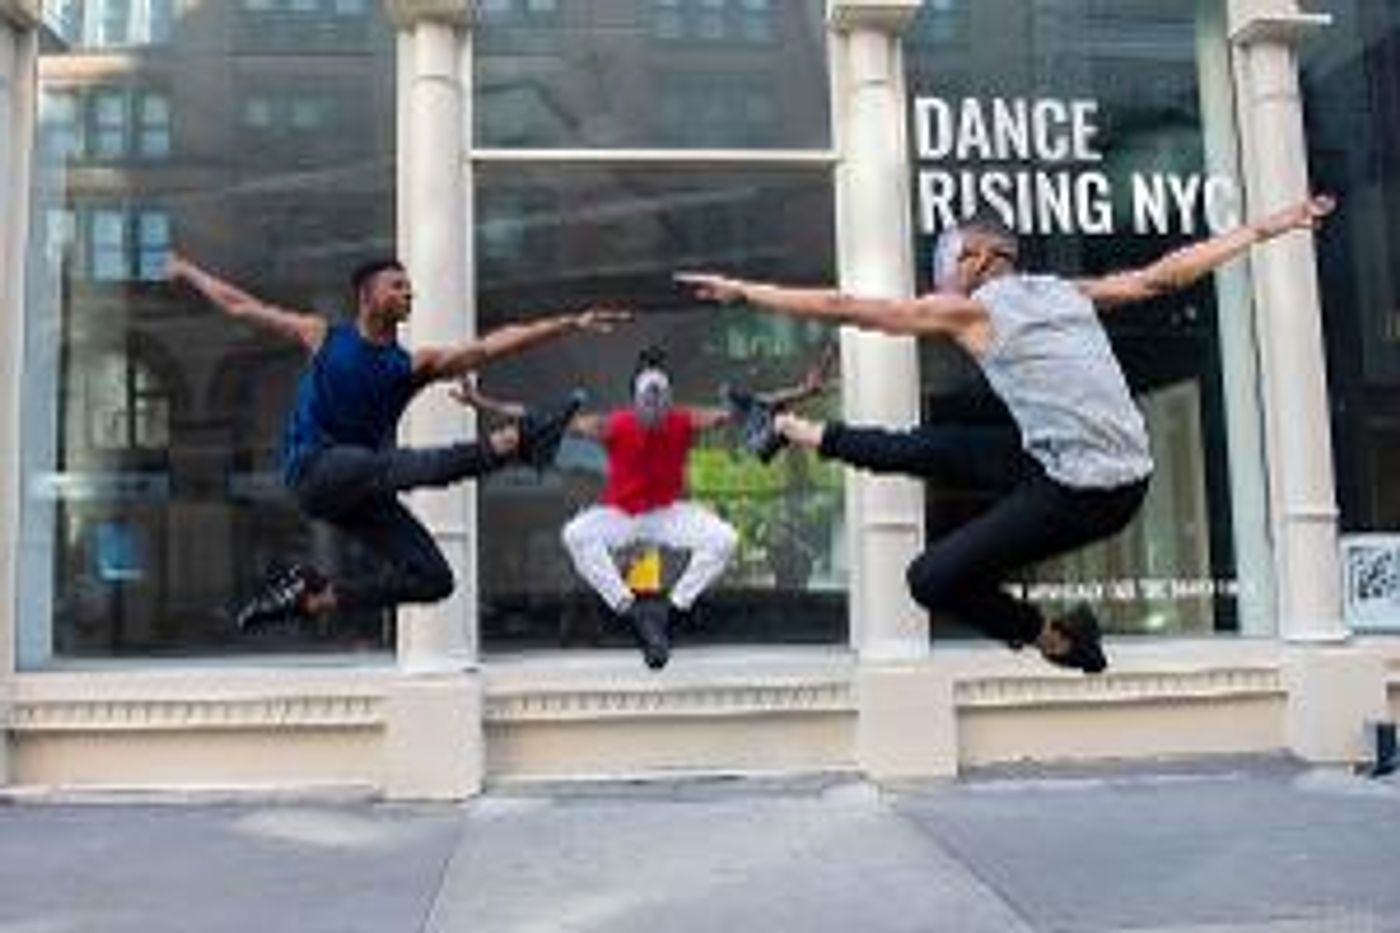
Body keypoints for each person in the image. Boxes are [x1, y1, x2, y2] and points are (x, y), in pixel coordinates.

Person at [677, 194, 1336, 673]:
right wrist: (1264, 226)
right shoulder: (1066, 291)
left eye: (948, 257)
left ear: (986, 257)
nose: (941, 272)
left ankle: (1059, 639)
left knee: (930, 578)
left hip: (1088, 493)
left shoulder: (973, 307)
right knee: (935, 444)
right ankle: (788, 427)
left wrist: (744, 290)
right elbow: (1165, 273)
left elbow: (851, 307)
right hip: (1063, 458)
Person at [168, 252, 629, 631]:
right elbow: (240, 306)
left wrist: (568, 323)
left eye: (410, 288)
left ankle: (314, 597)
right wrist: (188, 271)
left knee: (433, 579)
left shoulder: (411, 366)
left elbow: (490, 347)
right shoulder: (323, 335)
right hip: (313, 470)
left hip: (358, 487)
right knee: (382, 465)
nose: (409, 293)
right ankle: (512, 443)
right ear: (367, 296)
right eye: (397, 286)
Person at [454, 345, 833, 669]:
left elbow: (754, 407)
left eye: (660, 394)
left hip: (668, 514)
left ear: (668, 397)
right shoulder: (611, 425)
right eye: (647, 394)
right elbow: (536, 416)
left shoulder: (686, 420)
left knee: (725, 538)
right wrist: (481, 402)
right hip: (623, 515)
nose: (654, 402)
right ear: (635, 397)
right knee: (576, 534)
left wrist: (804, 390)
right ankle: (628, 607)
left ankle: (673, 607)